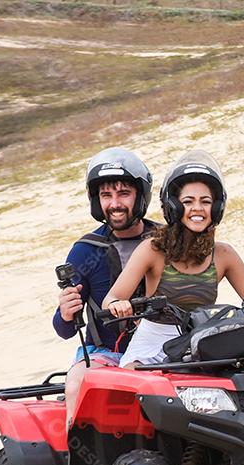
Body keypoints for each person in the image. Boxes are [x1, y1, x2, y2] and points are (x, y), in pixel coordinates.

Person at [103, 149, 244, 367]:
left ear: (216, 207)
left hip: (202, 338)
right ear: (174, 206)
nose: (197, 208)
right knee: (135, 383)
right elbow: (111, 299)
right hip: (153, 344)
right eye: (188, 201)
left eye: (205, 201)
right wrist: (119, 304)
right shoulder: (152, 249)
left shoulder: (224, 255)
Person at [54, 147, 161, 423]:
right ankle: (77, 457)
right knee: (77, 380)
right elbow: (64, 329)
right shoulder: (85, 250)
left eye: (123, 193)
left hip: (164, 349)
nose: (115, 203)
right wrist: (66, 311)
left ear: (140, 195)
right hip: (105, 355)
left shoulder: (165, 240)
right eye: (106, 195)